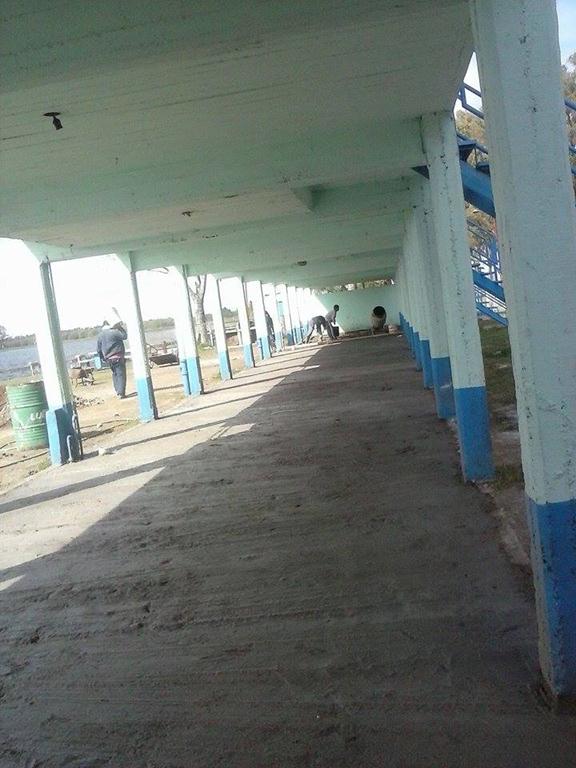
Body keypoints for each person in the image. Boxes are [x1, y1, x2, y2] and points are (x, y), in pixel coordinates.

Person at [97, 319, 128, 398]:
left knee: (115, 374)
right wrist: (119, 327)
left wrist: (102, 358)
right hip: (118, 357)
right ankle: (121, 393)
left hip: (109, 359)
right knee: (121, 374)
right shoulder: (114, 332)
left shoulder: (100, 335)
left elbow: (99, 349)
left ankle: (117, 391)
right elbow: (124, 336)